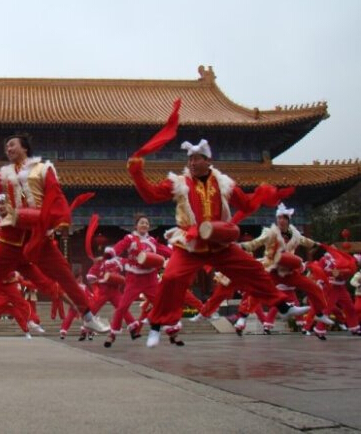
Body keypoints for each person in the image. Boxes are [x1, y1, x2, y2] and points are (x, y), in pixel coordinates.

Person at [127, 139, 309, 347]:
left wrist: (262, 194)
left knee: (253, 269)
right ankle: (156, 325)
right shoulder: (179, 183)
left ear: (207, 160)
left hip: (219, 244)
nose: (192, 163)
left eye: (196, 159)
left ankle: (283, 307)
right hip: (190, 244)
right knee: (170, 277)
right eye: (190, 159)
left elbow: (245, 204)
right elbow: (151, 195)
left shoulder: (223, 183)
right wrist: (137, 173)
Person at [0, 133, 108, 334]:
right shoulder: (4, 175)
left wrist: (55, 218)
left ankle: (88, 317)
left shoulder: (42, 170)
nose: (8, 149)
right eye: (6, 147)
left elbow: (55, 195)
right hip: (11, 240)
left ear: (25, 148)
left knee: (64, 275)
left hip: (37, 238)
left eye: (12, 145)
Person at [239, 203, 333, 334]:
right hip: (273, 270)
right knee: (258, 291)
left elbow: (305, 241)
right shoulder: (270, 233)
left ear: (288, 220)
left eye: (284, 218)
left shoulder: (295, 234)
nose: (281, 220)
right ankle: (242, 317)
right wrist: (242, 246)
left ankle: (319, 313)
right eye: (279, 218)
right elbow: (256, 243)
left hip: (289, 271)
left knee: (313, 287)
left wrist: (316, 245)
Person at [103, 214, 172, 347]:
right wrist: (111, 253)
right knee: (122, 307)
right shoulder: (130, 239)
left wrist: (177, 254)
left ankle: (172, 332)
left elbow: (164, 250)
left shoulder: (152, 241)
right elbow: (120, 246)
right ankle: (112, 334)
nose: (144, 225)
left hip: (150, 279)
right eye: (142, 223)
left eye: (146, 223)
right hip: (134, 279)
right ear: (136, 226)